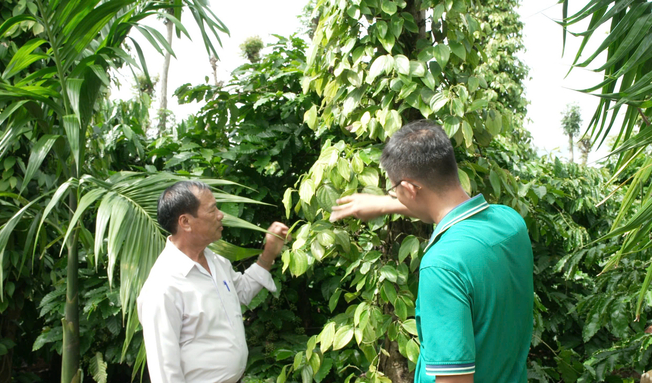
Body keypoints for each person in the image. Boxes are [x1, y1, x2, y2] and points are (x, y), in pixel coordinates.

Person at [330, 120, 533, 383]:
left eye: (394, 189)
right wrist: (384, 203)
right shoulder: (510, 222)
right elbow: (449, 205)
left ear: (410, 188)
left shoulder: (442, 266)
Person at [137, 181, 289, 383]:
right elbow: (165, 372)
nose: (220, 215)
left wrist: (268, 254)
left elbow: (242, 291)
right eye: (212, 210)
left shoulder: (215, 261)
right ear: (185, 222)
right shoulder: (163, 286)